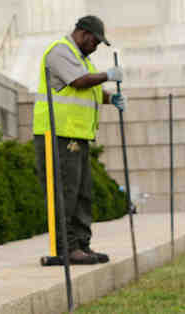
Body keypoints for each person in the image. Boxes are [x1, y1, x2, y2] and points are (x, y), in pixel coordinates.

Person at [33, 15, 126, 265]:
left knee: (82, 193)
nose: (96, 47)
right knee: (66, 193)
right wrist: (108, 75)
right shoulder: (60, 52)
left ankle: (82, 245)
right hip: (57, 134)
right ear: (84, 34)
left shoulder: (82, 58)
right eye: (96, 41)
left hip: (77, 135)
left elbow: (91, 89)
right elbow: (79, 82)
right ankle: (66, 247)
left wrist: (110, 99)